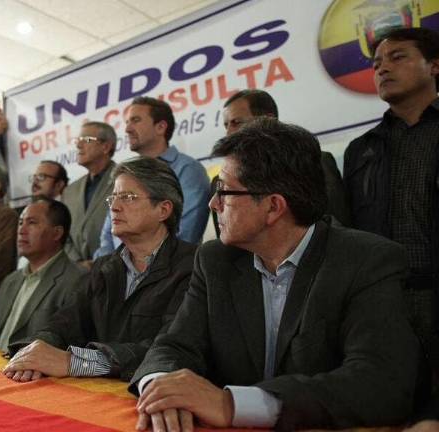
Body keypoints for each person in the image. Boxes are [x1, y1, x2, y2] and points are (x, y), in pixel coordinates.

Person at [132, 118, 419, 431]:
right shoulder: (216, 260)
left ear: (273, 207)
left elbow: (381, 380)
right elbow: (173, 346)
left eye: (224, 191)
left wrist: (234, 404)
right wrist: (162, 386)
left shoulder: (367, 261)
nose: (213, 204)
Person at [2, 157, 197, 382]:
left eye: (128, 197)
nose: (114, 207)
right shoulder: (105, 266)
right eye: (113, 197)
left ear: (163, 210)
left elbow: (170, 348)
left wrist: (76, 362)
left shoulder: (194, 265)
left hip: (151, 394)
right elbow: (65, 323)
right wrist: (37, 350)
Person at [344, 27, 439, 397]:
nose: (382, 68)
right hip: (385, 301)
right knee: (393, 403)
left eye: (397, 57)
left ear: (434, 66)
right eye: (376, 64)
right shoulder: (361, 150)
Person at [211, 89, 349, 234]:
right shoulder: (219, 183)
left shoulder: (315, 163)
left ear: (268, 119)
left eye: (236, 123)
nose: (228, 133)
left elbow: (337, 225)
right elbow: (225, 239)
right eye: (226, 125)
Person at [93, 97, 210, 258]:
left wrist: (141, 266)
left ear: (160, 127)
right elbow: (108, 236)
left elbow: (186, 235)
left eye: (135, 120)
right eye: (127, 122)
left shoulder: (188, 170)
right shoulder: (124, 174)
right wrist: (111, 266)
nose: (127, 129)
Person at [0, 197, 88, 352]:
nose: (21, 230)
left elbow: (69, 347)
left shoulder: (77, 281)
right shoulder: (10, 280)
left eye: (31, 223)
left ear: (57, 233)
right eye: (20, 223)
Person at [62, 122, 117, 265]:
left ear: (105, 147)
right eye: (78, 140)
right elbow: (64, 234)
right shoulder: (69, 191)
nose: (78, 145)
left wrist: (99, 262)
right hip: (78, 272)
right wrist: (78, 263)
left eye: (86, 140)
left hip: (116, 267)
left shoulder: (125, 181)